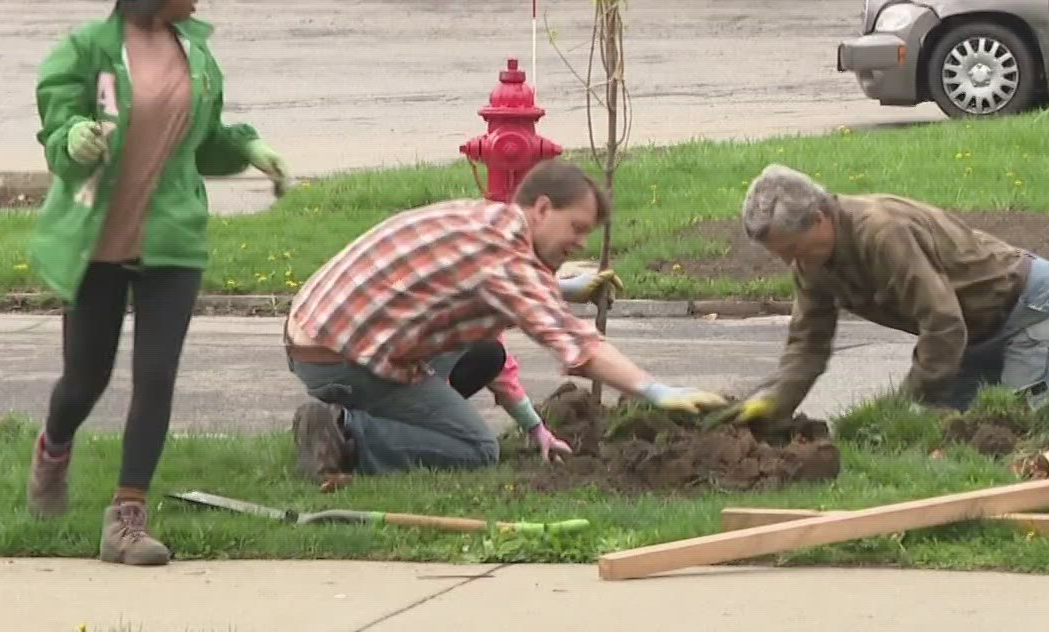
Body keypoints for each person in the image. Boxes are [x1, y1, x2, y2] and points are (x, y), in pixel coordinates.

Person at [23, 0, 291, 567]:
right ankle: (53, 450)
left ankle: (127, 518)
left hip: (172, 237)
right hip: (98, 239)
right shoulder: (85, 50)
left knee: (156, 376)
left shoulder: (195, 53)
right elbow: (58, 124)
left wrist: (249, 147)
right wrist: (74, 140)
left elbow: (207, 137)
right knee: (85, 380)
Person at [282, 159, 721, 478]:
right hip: (339, 357)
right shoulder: (506, 260)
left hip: (321, 331)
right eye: (577, 227)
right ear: (543, 208)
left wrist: (563, 289)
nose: (581, 242)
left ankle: (359, 416)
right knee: (476, 449)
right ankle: (345, 432)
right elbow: (578, 347)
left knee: (486, 351)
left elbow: (487, 295)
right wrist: (656, 390)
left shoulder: (489, 219)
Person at [714, 165, 1049, 436]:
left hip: (1029, 304)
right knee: (958, 441)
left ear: (819, 218)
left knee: (1027, 437)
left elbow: (942, 323)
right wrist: (774, 401)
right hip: (969, 332)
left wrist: (904, 404)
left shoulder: (881, 233)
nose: (790, 263)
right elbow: (808, 347)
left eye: (792, 249)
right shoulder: (812, 263)